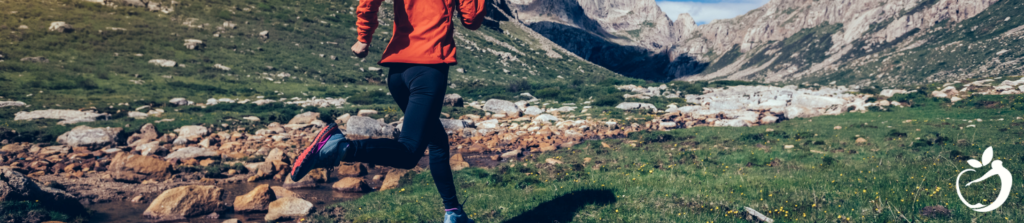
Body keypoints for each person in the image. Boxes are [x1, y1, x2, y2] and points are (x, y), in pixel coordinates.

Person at [289, 0, 485, 222]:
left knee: (436, 140)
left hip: (398, 72)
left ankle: (453, 213)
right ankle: (341, 147)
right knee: (410, 152)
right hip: (428, 70)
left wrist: (364, 38)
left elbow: (369, 2)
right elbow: (471, 20)